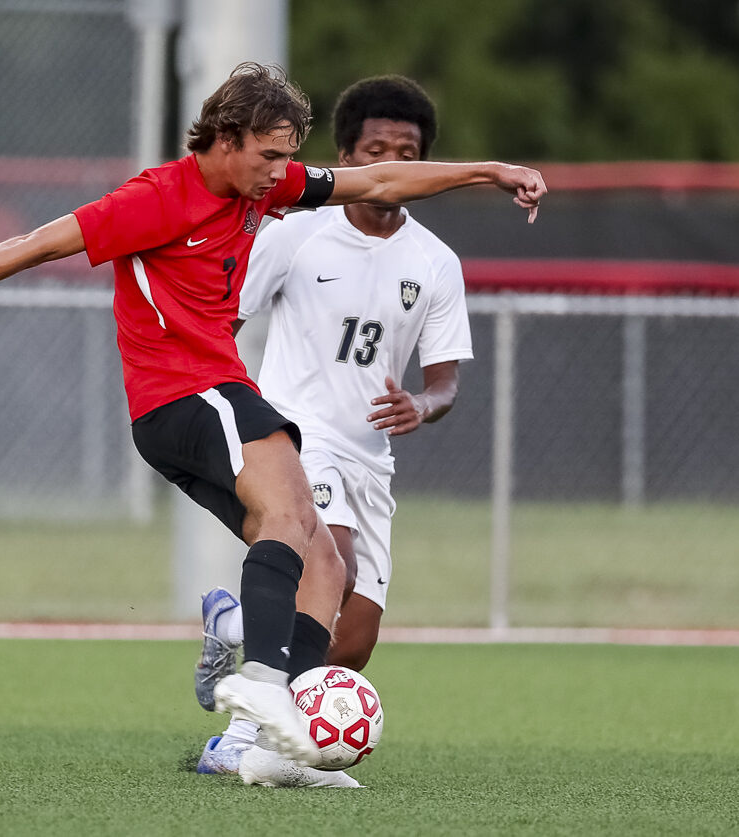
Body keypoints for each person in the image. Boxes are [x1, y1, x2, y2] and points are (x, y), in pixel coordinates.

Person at [0, 62, 545, 786]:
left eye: (288, 155)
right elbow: (43, 241)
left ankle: (272, 750)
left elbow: (378, 184)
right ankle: (263, 682)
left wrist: (491, 169)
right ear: (226, 139)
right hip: (184, 393)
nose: (280, 172)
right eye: (269, 154)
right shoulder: (156, 197)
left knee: (323, 563)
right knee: (294, 513)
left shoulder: (271, 186)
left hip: (215, 395)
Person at [194, 75, 476, 786]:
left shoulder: (436, 262)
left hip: (369, 459)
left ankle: (233, 627)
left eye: (405, 151)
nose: (390, 160)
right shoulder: (297, 232)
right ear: (347, 158)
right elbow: (225, 317)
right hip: (297, 434)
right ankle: (238, 739)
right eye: (375, 148)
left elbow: (444, 381)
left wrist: (424, 402)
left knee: (349, 642)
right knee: (330, 567)